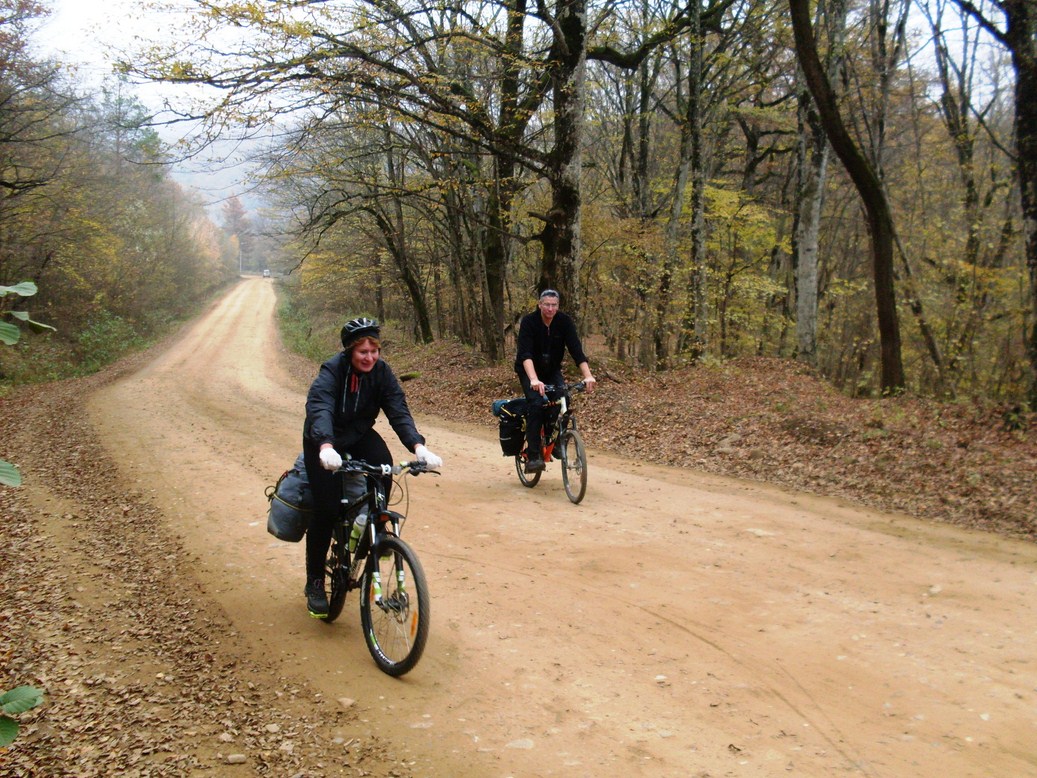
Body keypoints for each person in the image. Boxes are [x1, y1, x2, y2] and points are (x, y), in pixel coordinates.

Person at [302, 316, 442, 617]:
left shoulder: (382, 373)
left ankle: (373, 533)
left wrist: (418, 447)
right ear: (350, 351)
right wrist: (325, 445)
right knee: (326, 508)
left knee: (384, 467)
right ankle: (315, 581)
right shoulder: (332, 370)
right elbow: (319, 407)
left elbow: (397, 410)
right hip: (322, 439)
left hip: (358, 434)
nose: (369, 358)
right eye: (363, 352)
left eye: (374, 351)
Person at [514, 289, 596, 473]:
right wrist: (534, 380)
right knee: (536, 404)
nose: (550, 309)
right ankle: (534, 456)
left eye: (554, 305)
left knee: (563, 398)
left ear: (558, 306)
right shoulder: (529, 322)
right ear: (540, 305)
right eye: (547, 305)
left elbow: (576, 350)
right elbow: (525, 354)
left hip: (551, 370)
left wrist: (588, 375)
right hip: (529, 370)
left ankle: (557, 441)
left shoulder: (564, 322)